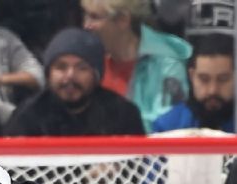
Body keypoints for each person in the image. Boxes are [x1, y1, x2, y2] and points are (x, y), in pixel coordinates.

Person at [4, 27, 144, 136]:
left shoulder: (123, 113)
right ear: (49, 74)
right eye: (61, 67)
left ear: (96, 75)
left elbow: (138, 165)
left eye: (81, 68)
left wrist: (115, 168)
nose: (70, 76)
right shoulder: (27, 115)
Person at [81, 0, 191, 132]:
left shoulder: (167, 64)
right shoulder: (88, 61)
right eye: (86, 15)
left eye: (94, 17)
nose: (86, 25)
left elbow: (169, 128)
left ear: (123, 20)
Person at [150, 33, 236, 133]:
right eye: (204, 79)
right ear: (192, 76)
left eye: (223, 79)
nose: (212, 90)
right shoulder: (167, 128)